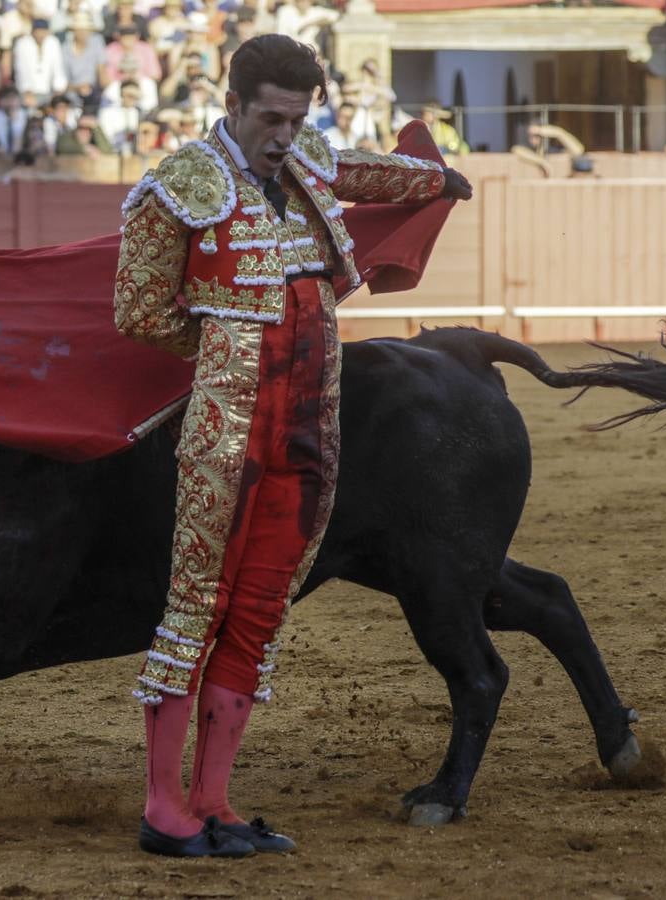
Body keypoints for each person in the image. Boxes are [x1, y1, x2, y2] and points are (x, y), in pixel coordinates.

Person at [114, 32, 472, 860]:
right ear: (232, 105)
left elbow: (359, 168)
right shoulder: (181, 186)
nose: (283, 134)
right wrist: (226, 351)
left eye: (296, 117)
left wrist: (434, 179)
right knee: (197, 606)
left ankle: (215, 798)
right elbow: (138, 310)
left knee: (261, 606)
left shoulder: (306, 156)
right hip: (228, 426)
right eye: (270, 117)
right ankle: (164, 806)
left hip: (310, 421)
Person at [12, 16, 65, 103]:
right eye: (38, 31)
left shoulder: (53, 43)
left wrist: (58, 89)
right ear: (33, 31)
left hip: (49, 92)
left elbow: (58, 67)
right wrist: (27, 91)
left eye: (43, 31)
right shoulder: (22, 44)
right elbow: (21, 69)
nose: (40, 34)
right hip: (27, 93)